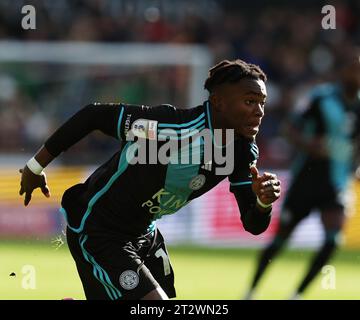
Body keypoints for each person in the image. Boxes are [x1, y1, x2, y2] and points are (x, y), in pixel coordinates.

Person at [19, 59, 281, 300]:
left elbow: (253, 224)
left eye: (262, 103)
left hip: (144, 233)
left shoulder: (241, 151)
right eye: (249, 101)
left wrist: (263, 202)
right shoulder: (171, 128)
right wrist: (35, 166)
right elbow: (94, 116)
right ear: (219, 102)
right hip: (99, 228)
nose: (259, 111)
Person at [244, 55, 360, 300]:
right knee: (280, 241)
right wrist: (309, 145)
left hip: (336, 184)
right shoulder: (321, 98)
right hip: (306, 181)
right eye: (354, 69)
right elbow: (288, 128)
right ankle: (251, 291)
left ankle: (297, 295)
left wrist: (354, 166)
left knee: (333, 240)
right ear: (343, 72)